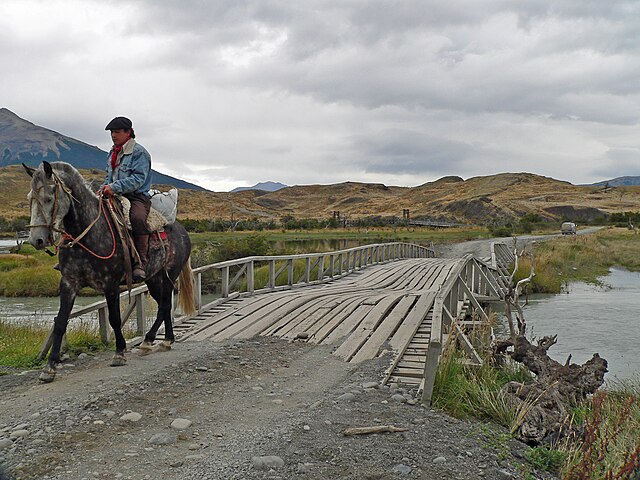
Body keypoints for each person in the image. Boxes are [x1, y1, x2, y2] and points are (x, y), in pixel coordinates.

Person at [99, 116, 152, 282]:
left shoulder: (139, 153)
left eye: (117, 132)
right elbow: (110, 176)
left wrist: (113, 187)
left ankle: (140, 263)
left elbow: (138, 179)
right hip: (115, 194)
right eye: (111, 133)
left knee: (137, 218)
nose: (113, 135)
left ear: (128, 132)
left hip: (137, 196)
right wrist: (104, 187)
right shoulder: (113, 152)